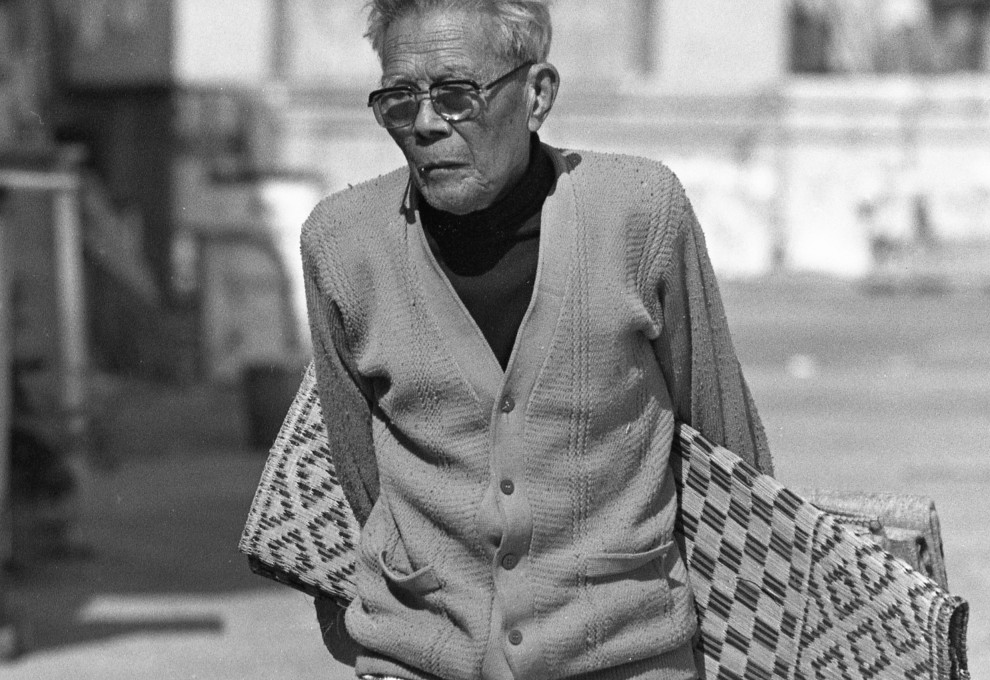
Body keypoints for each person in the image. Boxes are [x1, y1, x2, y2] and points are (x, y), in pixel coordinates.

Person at [302, 2, 772, 678]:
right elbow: (358, 469)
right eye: (399, 100)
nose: (427, 124)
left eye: (457, 95)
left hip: (626, 653)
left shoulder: (640, 214)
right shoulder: (342, 243)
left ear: (538, 94)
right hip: (421, 656)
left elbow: (731, 458)